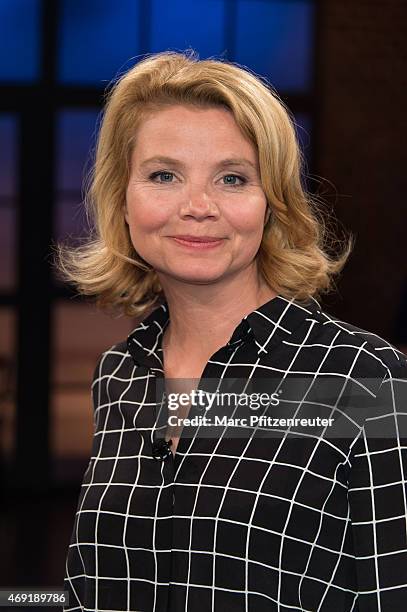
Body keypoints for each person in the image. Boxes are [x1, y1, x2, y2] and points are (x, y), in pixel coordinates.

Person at [56, 50, 407, 612]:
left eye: (233, 178)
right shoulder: (119, 376)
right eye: (164, 175)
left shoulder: (362, 379)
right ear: (122, 198)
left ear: (272, 204)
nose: (198, 207)